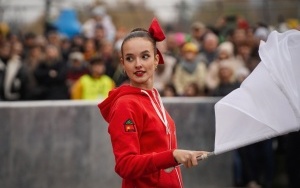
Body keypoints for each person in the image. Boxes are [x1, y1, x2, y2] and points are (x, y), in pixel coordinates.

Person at [98, 18, 208, 187]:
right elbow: (125, 165)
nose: (138, 64)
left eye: (145, 56)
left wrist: (182, 155)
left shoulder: (153, 96)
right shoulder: (125, 105)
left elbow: (160, 153)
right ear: (123, 64)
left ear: (156, 60)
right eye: (130, 58)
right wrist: (172, 156)